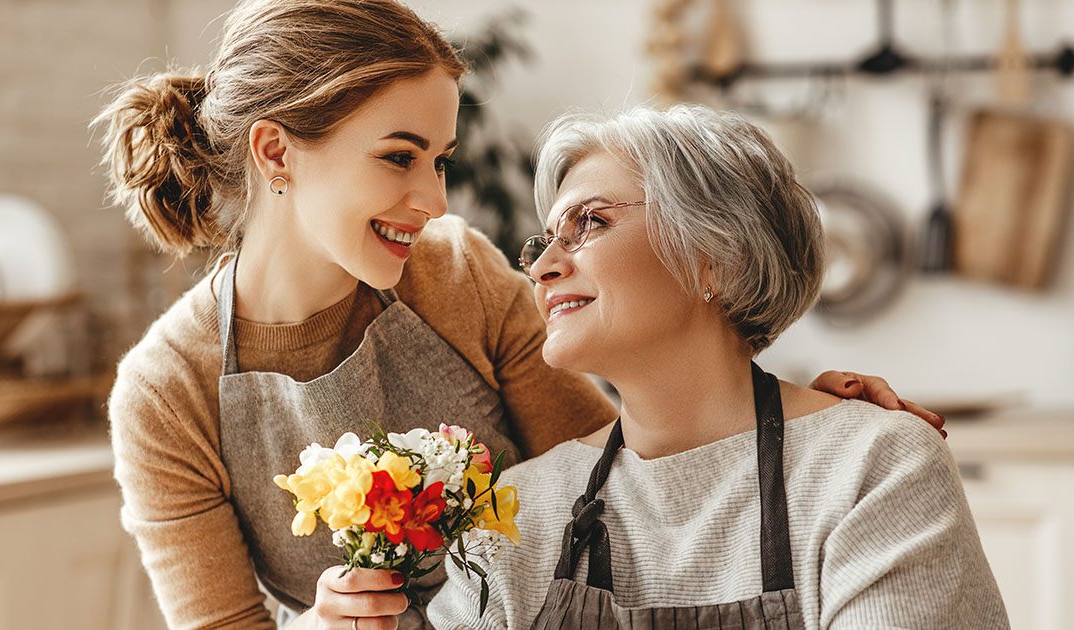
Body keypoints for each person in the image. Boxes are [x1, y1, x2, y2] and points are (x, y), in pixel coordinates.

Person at [92, 2, 944, 628]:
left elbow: (629, 474)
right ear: (276, 150)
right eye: (399, 157)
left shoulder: (455, 275)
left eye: (441, 159)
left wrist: (804, 425)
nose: (432, 198)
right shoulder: (167, 394)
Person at [426, 104, 1009, 629]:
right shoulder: (516, 510)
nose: (544, 265)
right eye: (546, 239)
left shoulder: (872, 467)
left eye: (591, 223)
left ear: (716, 259)